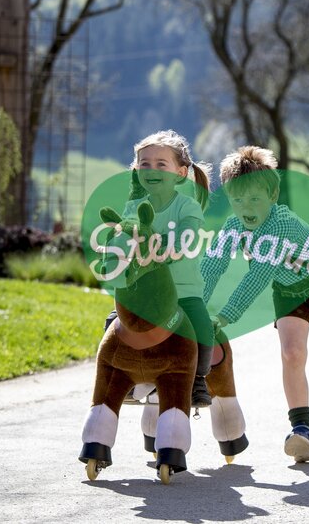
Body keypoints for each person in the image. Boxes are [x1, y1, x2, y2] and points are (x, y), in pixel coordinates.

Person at [201, 146, 309, 463]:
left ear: (273, 195)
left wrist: (225, 316)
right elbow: (212, 265)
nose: (245, 208)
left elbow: (256, 278)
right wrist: (195, 304)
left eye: (254, 199)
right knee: (292, 353)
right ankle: (302, 431)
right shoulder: (233, 226)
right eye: (237, 200)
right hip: (288, 289)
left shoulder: (280, 225)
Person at [102, 130, 215, 408]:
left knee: (202, 327)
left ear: (180, 172)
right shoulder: (132, 207)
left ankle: (198, 379)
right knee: (112, 322)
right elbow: (123, 235)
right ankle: (120, 374)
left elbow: (189, 237)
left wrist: (167, 246)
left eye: (161, 164)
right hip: (141, 292)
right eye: (145, 164)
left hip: (183, 291)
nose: (152, 170)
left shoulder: (187, 207)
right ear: (136, 170)